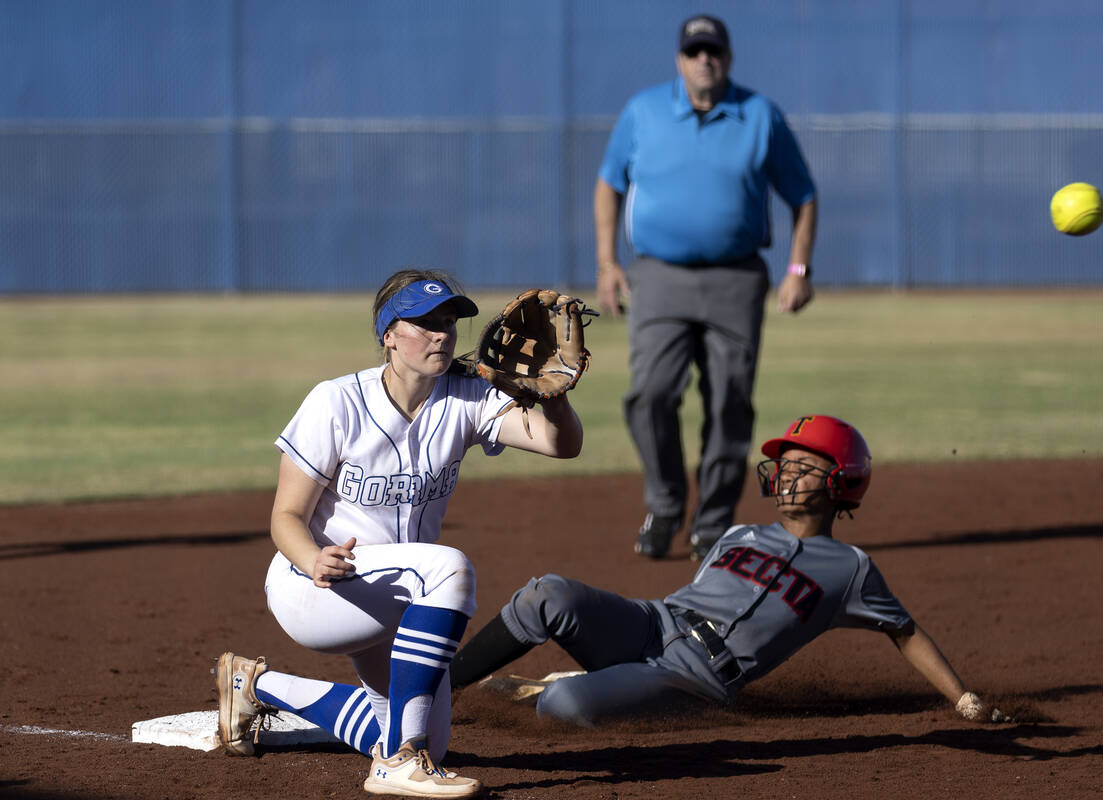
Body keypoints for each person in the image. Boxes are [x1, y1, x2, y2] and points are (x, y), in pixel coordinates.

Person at [213, 269, 584, 799]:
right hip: (319, 586)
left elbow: (560, 445)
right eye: (425, 323)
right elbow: (285, 517)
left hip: (403, 597)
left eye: (449, 322)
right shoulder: (336, 402)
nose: (442, 334)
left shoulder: (467, 397)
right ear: (388, 334)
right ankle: (399, 762)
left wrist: (555, 398)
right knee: (450, 567)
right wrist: (312, 559)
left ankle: (256, 685)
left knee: (434, 739)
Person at [448, 415, 1008, 729]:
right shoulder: (740, 534)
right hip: (653, 623)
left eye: (805, 469)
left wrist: (963, 699)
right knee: (548, 594)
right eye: (784, 466)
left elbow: (904, 632)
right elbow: (689, 597)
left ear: (841, 483)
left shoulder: (852, 570)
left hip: (697, 678)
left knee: (566, 707)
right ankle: (438, 687)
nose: (787, 477)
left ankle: (573, 688)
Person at [594, 13, 819, 561]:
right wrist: (606, 262)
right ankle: (667, 503)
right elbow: (609, 184)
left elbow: (803, 195)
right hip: (659, 276)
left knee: (730, 402)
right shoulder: (644, 111)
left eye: (713, 50)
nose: (704, 60)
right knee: (649, 394)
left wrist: (798, 270)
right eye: (694, 51)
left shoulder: (759, 114)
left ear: (728, 57)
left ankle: (713, 522)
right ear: (680, 59)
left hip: (735, 278)